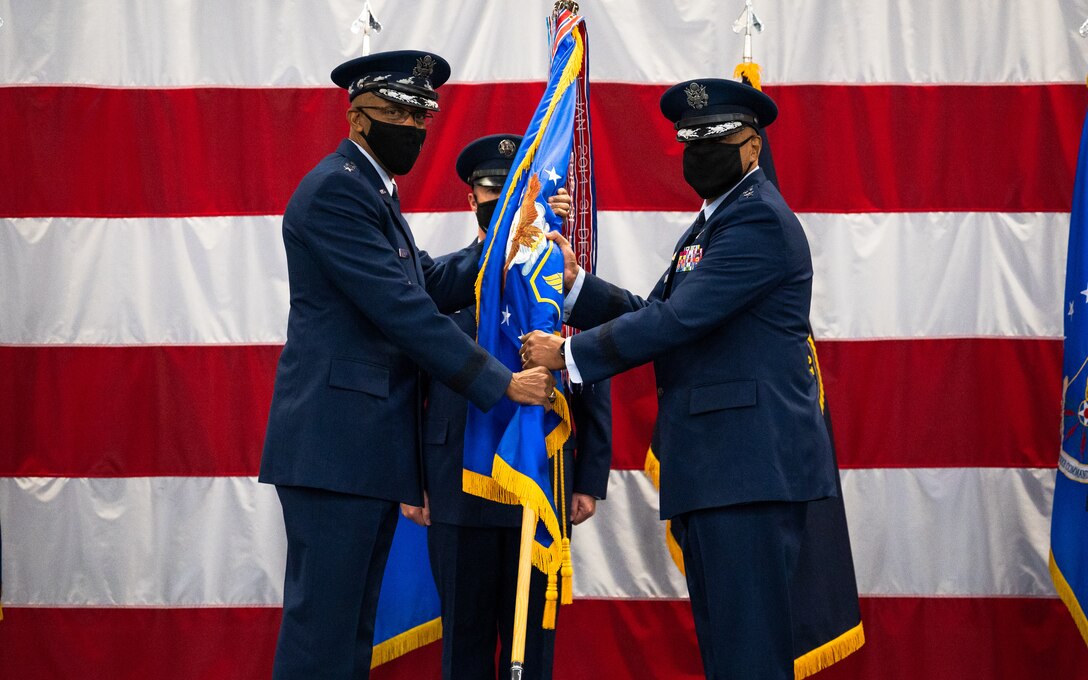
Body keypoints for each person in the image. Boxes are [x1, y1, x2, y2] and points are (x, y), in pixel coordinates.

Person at [520, 79, 838, 679]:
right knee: (728, 655)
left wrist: (568, 355)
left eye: (713, 140)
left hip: (748, 471)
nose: (698, 154)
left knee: (749, 656)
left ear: (752, 146)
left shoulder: (758, 223)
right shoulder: (714, 223)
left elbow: (680, 319)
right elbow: (657, 310)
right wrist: (576, 285)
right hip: (720, 471)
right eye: (689, 141)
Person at [258, 51, 556, 680]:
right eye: (397, 113)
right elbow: (403, 312)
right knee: (324, 635)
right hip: (335, 446)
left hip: (359, 449)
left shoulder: (371, 190)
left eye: (422, 117)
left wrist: (504, 242)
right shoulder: (339, 190)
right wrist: (503, 384)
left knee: (349, 633)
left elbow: (424, 280)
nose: (413, 128)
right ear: (358, 116)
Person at [401, 134, 612, 680]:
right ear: (472, 197)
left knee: (532, 651)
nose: (501, 198)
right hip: (455, 484)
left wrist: (588, 477)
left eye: (516, 188)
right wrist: (409, 480)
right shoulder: (441, 281)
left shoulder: (554, 273)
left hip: (539, 479)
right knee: (464, 648)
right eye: (492, 188)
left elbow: (592, 370)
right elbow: (410, 383)